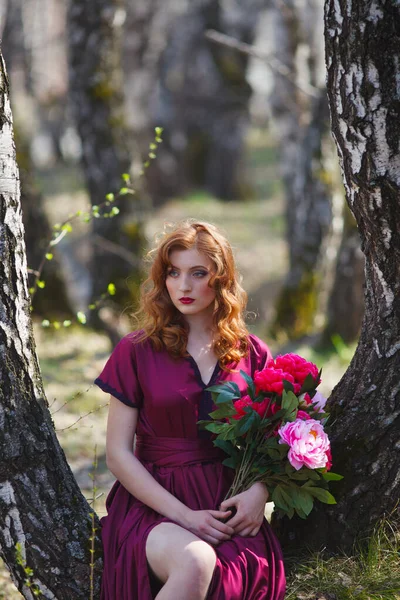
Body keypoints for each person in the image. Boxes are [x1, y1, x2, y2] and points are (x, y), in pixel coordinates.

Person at [95, 220, 286, 600]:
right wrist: (184, 516)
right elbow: (117, 454)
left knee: (230, 577)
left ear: (222, 279)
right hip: (154, 505)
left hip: (226, 510)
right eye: (173, 272)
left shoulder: (253, 353)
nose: (183, 285)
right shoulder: (136, 350)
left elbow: (273, 443)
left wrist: (260, 492)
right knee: (196, 562)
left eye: (198, 273)